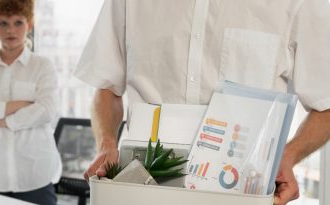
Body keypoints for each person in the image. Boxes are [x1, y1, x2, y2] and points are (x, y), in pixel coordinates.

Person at [74, 0, 330, 204]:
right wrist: (106, 143)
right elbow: (106, 87)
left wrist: (287, 156)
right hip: (139, 189)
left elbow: (326, 104)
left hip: (239, 192)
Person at [0, 0, 61, 204]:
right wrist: (17, 106)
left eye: (18, 22)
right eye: (3, 23)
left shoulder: (42, 66)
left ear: (29, 24)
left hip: (34, 178)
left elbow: (46, 110)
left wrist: (3, 120)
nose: (10, 30)